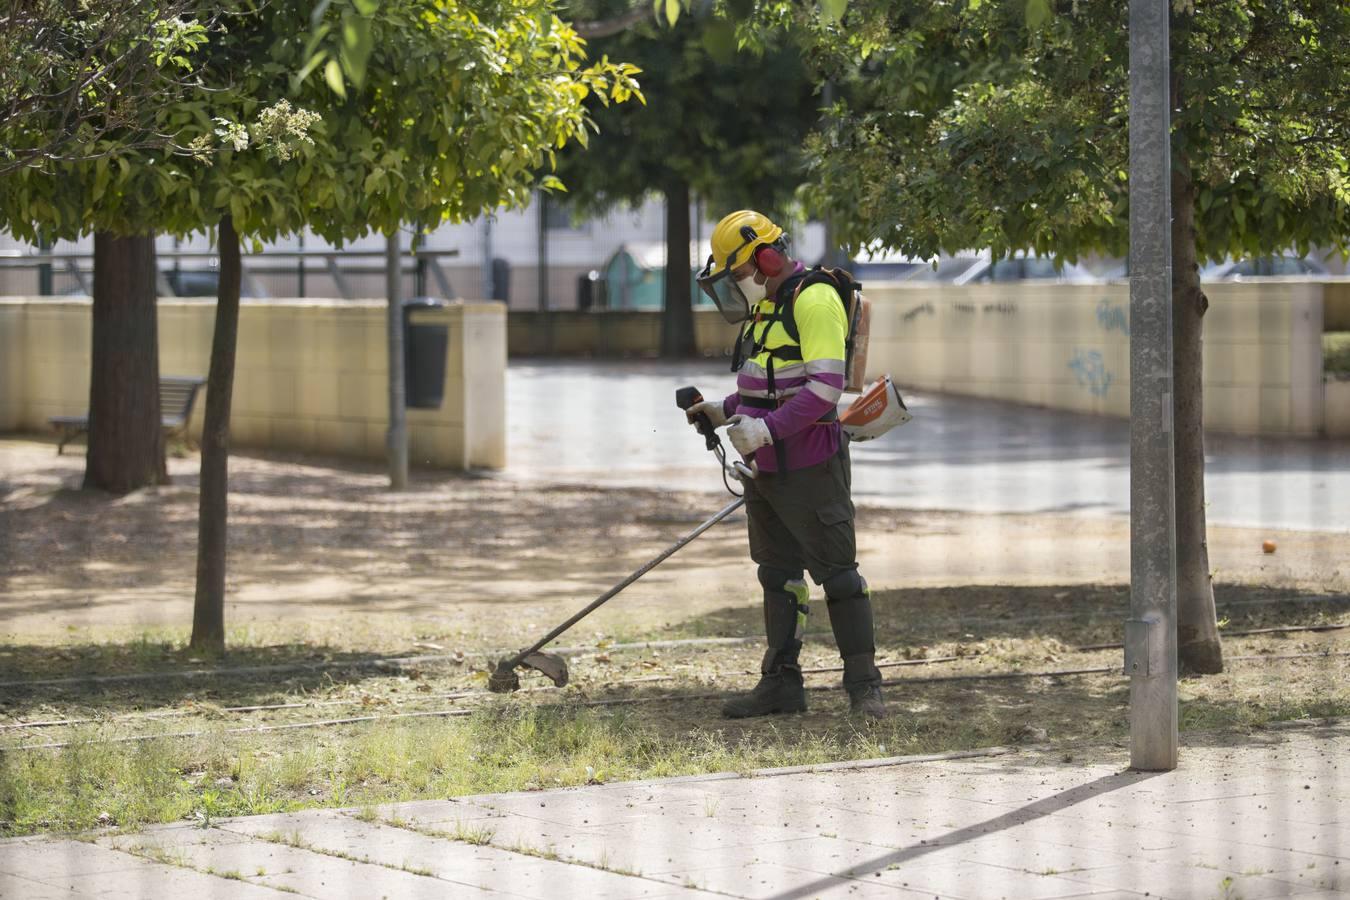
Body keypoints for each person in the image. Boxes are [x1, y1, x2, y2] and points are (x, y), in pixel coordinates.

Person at [689, 209, 885, 720]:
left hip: (811, 464)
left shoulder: (814, 299)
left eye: (737, 274)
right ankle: (781, 685)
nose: (737, 286)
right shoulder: (769, 306)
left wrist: (767, 430)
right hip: (765, 467)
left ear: (767, 258)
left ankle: (865, 690)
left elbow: (824, 389)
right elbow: (767, 383)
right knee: (777, 575)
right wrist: (723, 409)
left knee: (838, 576)